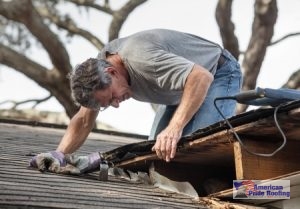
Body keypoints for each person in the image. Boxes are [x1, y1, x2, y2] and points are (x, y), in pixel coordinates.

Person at [29, 28, 242, 174]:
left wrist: (174, 127)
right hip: (181, 90)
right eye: (108, 104)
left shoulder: (142, 59)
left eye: (112, 97)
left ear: (112, 72)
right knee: (157, 157)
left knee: (201, 151)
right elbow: (84, 119)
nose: (116, 104)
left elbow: (200, 77)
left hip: (218, 72)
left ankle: (253, 188)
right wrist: (60, 154)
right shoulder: (96, 72)